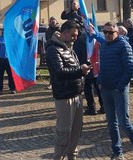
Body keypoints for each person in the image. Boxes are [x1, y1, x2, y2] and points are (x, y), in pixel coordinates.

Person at [90, 22, 133, 160]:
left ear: (118, 33)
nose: (108, 35)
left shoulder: (124, 45)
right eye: (106, 32)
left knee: (124, 123)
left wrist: (120, 87)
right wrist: (100, 83)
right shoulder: (104, 45)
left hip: (118, 90)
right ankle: (117, 152)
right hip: (106, 89)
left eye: (111, 32)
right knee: (111, 123)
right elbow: (102, 66)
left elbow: (130, 69)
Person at [45, 20, 90, 160]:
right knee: (64, 131)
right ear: (64, 33)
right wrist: (80, 71)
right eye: (73, 35)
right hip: (64, 96)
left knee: (76, 130)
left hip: (76, 93)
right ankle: (59, 157)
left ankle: (72, 155)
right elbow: (58, 72)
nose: (75, 38)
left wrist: (81, 71)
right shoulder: (53, 49)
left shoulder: (68, 47)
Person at [73, 26, 102, 116]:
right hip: (95, 65)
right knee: (97, 87)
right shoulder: (98, 37)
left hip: (87, 66)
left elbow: (76, 54)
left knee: (88, 87)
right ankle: (103, 106)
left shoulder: (81, 39)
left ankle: (91, 107)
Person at [0, 29, 16, 95]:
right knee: (0, 75)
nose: (4, 33)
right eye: (2, 32)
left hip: (9, 59)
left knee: (10, 74)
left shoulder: (11, 39)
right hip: (0, 58)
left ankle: (12, 88)